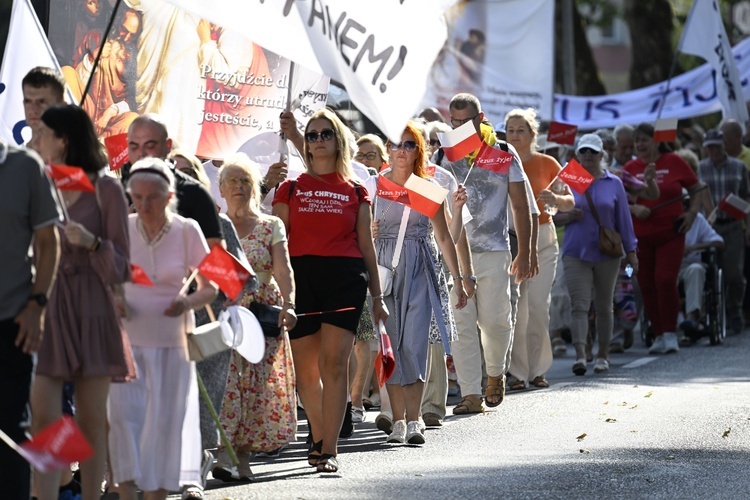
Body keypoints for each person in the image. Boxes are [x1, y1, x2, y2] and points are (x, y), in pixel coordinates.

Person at [273, 108, 388, 473]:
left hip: (345, 277)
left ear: (339, 140)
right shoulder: (288, 188)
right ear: (304, 144)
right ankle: (320, 435)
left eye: (325, 134)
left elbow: (367, 247)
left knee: (334, 364)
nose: (318, 140)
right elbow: (277, 244)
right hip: (300, 276)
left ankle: (330, 451)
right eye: (312, 134)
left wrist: (377, 296)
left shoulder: (356, 190)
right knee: (306, 372)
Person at [30, 104, 134, 500]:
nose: (34, 139)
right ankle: (46, 494)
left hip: (93, 306)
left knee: (92, 422)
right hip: (48, 305)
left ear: (63, 140)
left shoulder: (106, 188)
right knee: (44, 415)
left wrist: (91, 243)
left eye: (42, 133)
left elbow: (122, 265)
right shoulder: (40, 182)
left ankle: (91, 494)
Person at [108, 158, 218, 500]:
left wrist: (186, 303)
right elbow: (106, 277)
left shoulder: (187, 230)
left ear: (169, 195)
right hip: (126, 344)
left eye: (152, 197)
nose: (144, 204)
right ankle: (127, 492)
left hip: (172, 344)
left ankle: (157, 494)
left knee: (165, 425)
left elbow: (211, 287)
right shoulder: (121, 228)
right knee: (124, 423)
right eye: (136, 197)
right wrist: (115, 298)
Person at [368, 121, 467, 445]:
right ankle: (398, 421)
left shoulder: (427, 188)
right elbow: (358, 232)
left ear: (417, 151)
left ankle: (415, 420)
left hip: (420, 270)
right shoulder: (374, 186)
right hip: (384, 272)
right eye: (396, 144)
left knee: (415, 346)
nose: (401, 150)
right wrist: (369, 232)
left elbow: (442, 237)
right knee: (390, 349)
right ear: (387, 148)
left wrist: (459, 279)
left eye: (409, 145)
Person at [434, 93, 533, 414]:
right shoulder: (441, 155)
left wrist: (527, 251)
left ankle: (495, 374)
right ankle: (470, 394)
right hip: (453, 253)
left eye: (465, 121)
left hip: (494, 250)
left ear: (481, 118)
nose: (459, 127)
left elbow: (520, 206)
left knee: (494, 321)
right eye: (454, 121)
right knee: (461, 324)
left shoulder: (503, 152)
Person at [212, 153, 297, 480]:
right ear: (220, 188)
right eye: (232, 180)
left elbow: (283, 269)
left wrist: (289, 305)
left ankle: (243, 456)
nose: (238, 186)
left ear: (256, 187)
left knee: (257, 385)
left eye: (245, 180)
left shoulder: (270, 224)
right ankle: (222, 453)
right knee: (226, 384)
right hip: (224, 311)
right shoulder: (214, 226)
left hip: (262, 312)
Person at [0, 139, 61, 500]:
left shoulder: (26, 166)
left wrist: (38, 304)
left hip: (13, 322)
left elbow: (48, 242)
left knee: (10, 431)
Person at [504, 108, 574, 390]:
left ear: (533, 135)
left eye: (521, 130)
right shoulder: (500, 163)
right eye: (510, 130)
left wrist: (555, 197)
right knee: (518, 309)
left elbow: (569, 201)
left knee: (538, 307)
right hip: (510, 239)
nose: (515, 135)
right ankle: (517, 373)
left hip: (543, 239)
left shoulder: (548, 162)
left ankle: (538, 370)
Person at [560, 134, 638, 375]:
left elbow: (624, 219)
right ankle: (581, 356)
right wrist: (567, 215)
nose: (588, 156)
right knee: (579, 306)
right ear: (577, 154)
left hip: (607, 253)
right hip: (576, 252)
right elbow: (549, 214)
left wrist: (632, 251)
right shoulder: (569, 177)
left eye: (593, 152)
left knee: (604, 307)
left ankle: (603, 355)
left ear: (602, 155)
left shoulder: (613, 182)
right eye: (583, 151)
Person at [624, 123, 705, 355]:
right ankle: (658, 334)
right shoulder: (630, 167)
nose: (640, 144)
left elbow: (697, 188)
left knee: (665, 280)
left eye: (644, 139)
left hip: (671, 233)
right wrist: (634, 209)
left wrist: (691, 213)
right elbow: (620, 200)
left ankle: (670, 334)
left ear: (656, 141)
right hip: (640, 237)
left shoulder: (674, 161)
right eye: (637, 140)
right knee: (647, 285)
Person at [698, 129, 750, 334]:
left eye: (717, 146)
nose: (714, 150)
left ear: (723, 145)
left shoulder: (739, 166)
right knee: (709, 271)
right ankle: (712, 312)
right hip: (710, 226)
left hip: (734, 224)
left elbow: (746, 197)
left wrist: (748, 227)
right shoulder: (701, 168)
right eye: (710, 147)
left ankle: (734, 309)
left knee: (735, 274)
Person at [678, 212, 724, 345]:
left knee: (696, 269)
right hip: (668, 264)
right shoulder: (662, 217)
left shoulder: (697, 219)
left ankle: (692, 318)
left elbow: (719, 242)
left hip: (689, 265)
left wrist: (693, 248)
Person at [21, 67, 66, 152]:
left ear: (61, 106)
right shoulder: (12, 160)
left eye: (41, 102)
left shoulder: (78, 157)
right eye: (28, 101)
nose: (33, 109)